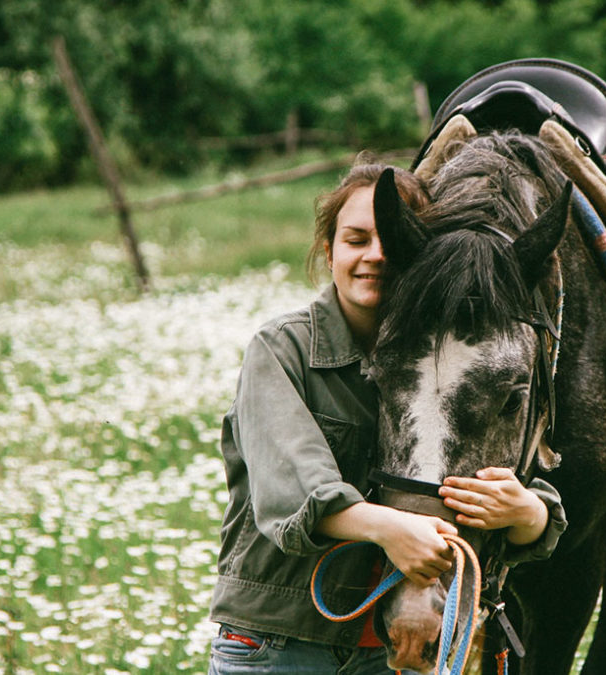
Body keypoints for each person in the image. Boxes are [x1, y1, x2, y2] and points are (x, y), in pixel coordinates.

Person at [208, 162, 567, 675]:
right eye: (355, 240)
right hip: (279, 644)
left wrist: (529, 515)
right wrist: (392, 529)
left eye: (390, 244)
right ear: (329, 252)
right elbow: (292, 492)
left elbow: (474, 462)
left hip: (384, 649)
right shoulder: (281, 350)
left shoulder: (439, 359)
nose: (374, 256)